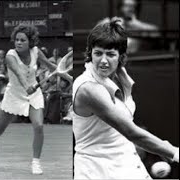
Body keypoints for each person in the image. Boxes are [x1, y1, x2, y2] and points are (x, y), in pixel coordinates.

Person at [70, 17, 178, 179]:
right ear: (90, 54)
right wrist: (175, 152)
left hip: (127, 165)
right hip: (98, 172)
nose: (103, 61)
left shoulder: (120, 76)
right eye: (98, 53)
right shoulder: (88, 88)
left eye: (110, 54)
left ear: (121, 57)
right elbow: (132, 132)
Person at [0, 24, 62, 175]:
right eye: (17, 39)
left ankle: (36, 162)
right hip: (14, 95)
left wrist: (60, 72)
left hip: (34, 95)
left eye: (22, 40)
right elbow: (18, 73)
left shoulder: (36, 52)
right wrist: (26, 86)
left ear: (30, 41)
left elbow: (51, 66)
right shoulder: (10, 55)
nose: (18, 42)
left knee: (38, 126)